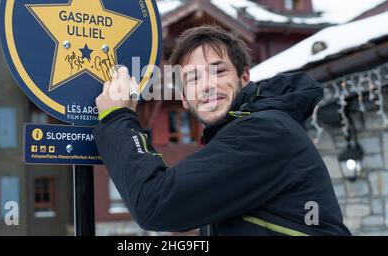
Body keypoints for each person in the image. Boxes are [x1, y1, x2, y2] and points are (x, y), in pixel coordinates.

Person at [93, 25, 351, 236]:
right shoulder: (239, 135)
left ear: (244, 77)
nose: (207, 86)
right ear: (183, 98)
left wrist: (118, 118)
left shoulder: (265, 131)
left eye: (218, 71)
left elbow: (155, 203)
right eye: (193, 78)